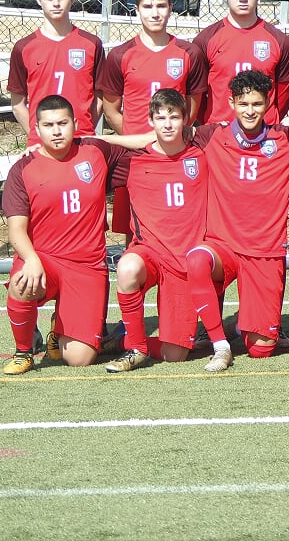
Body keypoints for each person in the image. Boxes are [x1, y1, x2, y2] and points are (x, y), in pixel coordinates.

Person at [186, 70, 289, 359]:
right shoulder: (211, 135)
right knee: (197, 259)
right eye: (244, 104)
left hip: (264, 252)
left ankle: (244, 322)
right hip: (223, 247)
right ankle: (220, 343)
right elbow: (163, 137)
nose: (250, 111)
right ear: (232, 102)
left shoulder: (287, 139)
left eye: (257, 104)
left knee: (260, 350)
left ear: (269, 103)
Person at [104, 89, 233, 373]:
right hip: (150, 254)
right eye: (160, 117)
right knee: (126, 267)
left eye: (174, 117)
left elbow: (241, 127)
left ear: (186, 119)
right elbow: (82, 151)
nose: (167, 123)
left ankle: (125, 340)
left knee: (174, 354)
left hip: (186, 262)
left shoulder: (204, 149)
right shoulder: (132, 160)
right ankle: (135, 348)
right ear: (150, 121)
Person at [1, 95, 129, 375]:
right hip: (44, 259)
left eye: (63, 123)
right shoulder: (23, 169)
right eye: (48, 125)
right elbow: (16, 229)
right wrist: (31, 259)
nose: (56, 131)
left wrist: (121, 139)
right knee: (22, 283)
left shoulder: (96, 152)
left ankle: (58, 331)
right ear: (37, 128)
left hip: (88, 266)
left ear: (75, 125)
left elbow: (142, 147)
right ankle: (23, 351)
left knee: (79, 359)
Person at [96, 0, 207, 237]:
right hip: (136, 156)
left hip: (174, 155)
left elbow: (193, 106)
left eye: (161, 6)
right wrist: (141, 139)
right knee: (134, 233)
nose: (155, 13)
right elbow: (111, 109)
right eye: (148, 6)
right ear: (137, 10)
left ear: (171, 8)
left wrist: (170, 136)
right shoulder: (120, 55)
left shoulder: (189, 53)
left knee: (178, 225)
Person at [8, 0, 104, 146]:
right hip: (41, 144)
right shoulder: (24, 47)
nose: (56, 3)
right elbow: (17, 104)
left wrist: (85, 128)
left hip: (82, 139)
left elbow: (100, 96)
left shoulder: (92, 44)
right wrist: (39, 135)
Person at [194, 0, 289, 125]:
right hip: (219, 134)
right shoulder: (205, 40)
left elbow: (283, 96)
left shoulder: (280, 41)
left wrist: (265, 123)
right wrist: (211, 123)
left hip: (264, 134)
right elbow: (197, 93)